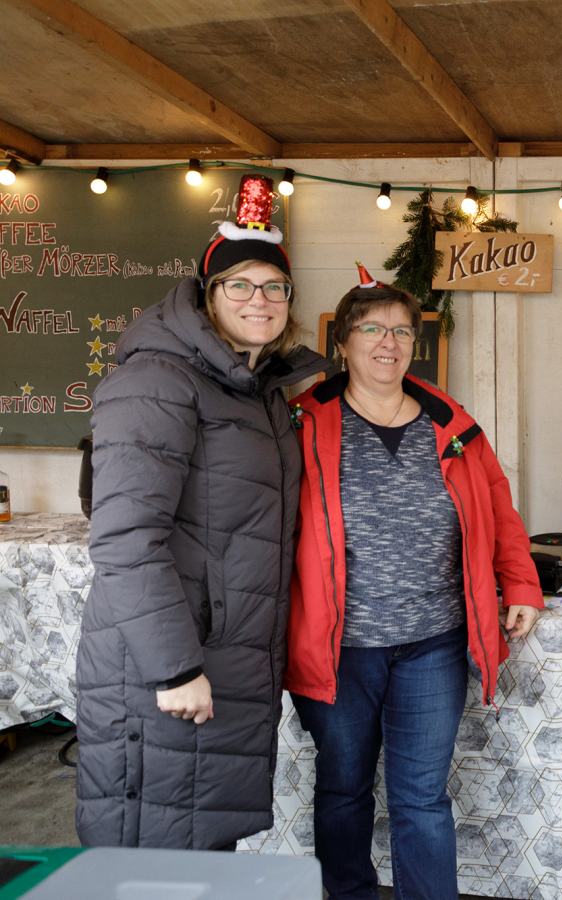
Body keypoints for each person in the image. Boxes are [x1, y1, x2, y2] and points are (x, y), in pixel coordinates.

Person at [76, 175, 326, 849]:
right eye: (239, 285)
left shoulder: (256, 390)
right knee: (153, 858)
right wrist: (174, 668)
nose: (259, 300)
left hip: (226, 660)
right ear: (208, 294)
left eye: (274, 287)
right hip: (165, 668)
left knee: (203, 851)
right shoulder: (157, 380)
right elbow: (126, 539)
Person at [286, 272, 544, 900]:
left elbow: (498, 510)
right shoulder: (303, 422)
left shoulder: (451, 423)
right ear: (342, 342)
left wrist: (521, 584)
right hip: (340, 647)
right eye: (372, 329)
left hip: (433, 641)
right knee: (343, 787)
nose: (388, 343)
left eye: (402, 331)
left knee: (422, 796)